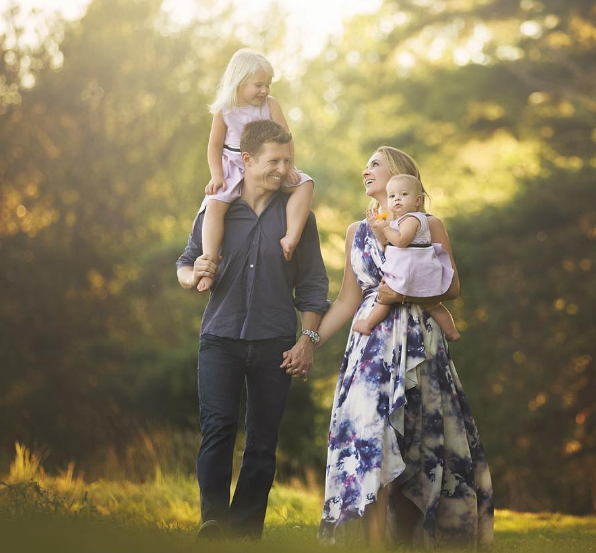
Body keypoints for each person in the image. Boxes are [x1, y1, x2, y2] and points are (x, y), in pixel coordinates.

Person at [285, 146, 493, 549]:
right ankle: (375, 544)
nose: (366, 170)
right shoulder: (356, 232)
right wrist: (307, 342)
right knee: (370, 438)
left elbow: (452, 286)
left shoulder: (429, 224)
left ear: (400, 176)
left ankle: (415, 537)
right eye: (365, 164)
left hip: (420, 344)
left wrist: (402, 293)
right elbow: (348, 300)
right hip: (369, 351)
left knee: (418, 443)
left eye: (375, 164)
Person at [176, 119, 328, 539]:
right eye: (274, 161)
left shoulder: (300, 217)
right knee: (218, 427)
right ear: (246, 160)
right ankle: (213, 521)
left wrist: (307, 339)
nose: (283, 170)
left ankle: (244, 533)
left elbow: (314, 285)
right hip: (220, 338)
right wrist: (193, 275)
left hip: (275, 341)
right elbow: (185, 263)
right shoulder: (216, 210)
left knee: (262, 441)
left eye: (288, 160)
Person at [198, 48, 314, 292]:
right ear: (239, 82)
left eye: (268, 85)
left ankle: (290, 236)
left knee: (305, 184)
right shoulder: (225, 109)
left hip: (269, 164)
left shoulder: (270, 105)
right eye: (259, 85)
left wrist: (290, 166)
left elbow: (287, 138)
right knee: (214, 205)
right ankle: (209, 262)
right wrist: (217, 175)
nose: (265, 91)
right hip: (233, 164)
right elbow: (214, 145)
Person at [352, 174, 460, 341]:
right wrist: (378, 226)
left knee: (384, 301)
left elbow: (401, 241)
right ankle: (451, 332)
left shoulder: (411, 219)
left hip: (410, 272)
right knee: (433, 305)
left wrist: (385, 228)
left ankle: (367, 324)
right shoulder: (401, 220)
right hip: (416, 271)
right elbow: (387, 242)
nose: (397, 200)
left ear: (418, 200)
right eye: (392, 196)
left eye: (403, 195)